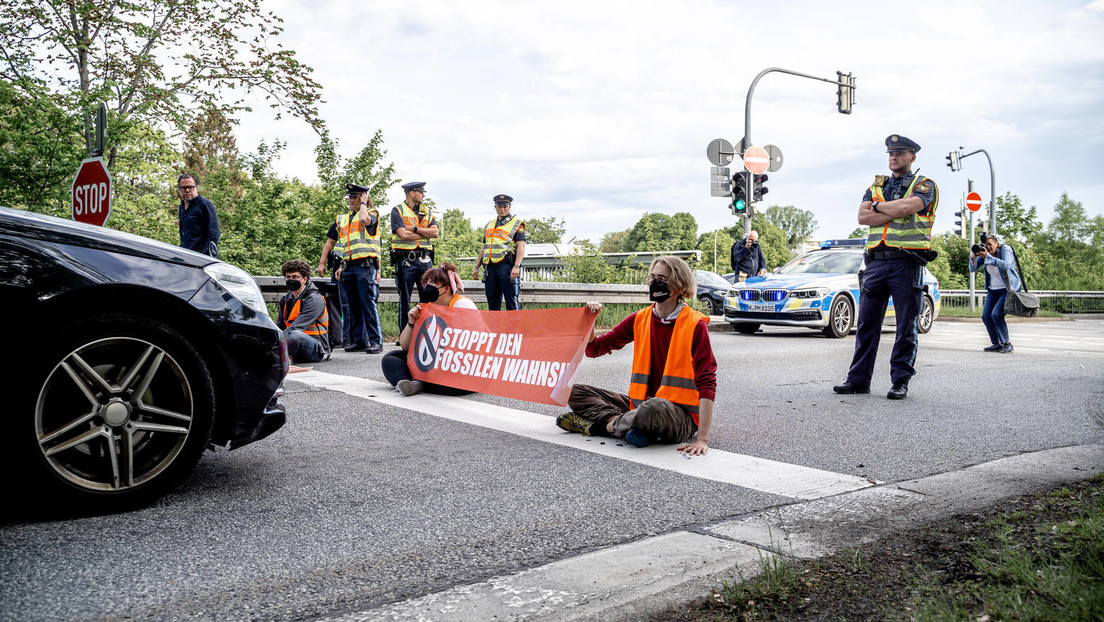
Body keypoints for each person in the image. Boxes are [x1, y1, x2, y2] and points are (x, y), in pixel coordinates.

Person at [555, 256, 716, 455]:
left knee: (654, 406)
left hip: (678, 415)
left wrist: (702, 439)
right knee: (571, 390)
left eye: (663, 279)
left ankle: (603, 428)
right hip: (639, 406)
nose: (656, 283)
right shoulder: (640, 318)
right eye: (653, 277)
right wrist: (590, 322)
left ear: (679, 285)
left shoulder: (694, 324)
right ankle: (632, 428)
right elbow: (595, 349)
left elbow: (707, 381)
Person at [834, 134, 938, 400]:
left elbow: (909, 206)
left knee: (906, 326)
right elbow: (862, 216)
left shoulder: (924, 185)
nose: (894, 157)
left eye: (900, 154)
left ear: (912, 157)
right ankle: (858, 380)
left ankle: (900, 381)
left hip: (906, 262)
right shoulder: (877, 185)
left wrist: (880, 207)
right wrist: (893, 208)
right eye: (891, 154)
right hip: (876, 264)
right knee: (866, 325)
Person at [381, 262, 477, 396]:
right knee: (390, 358)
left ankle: (419, 382)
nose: (428, 286)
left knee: (445, 376)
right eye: (426, 282)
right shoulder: (427, 309)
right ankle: (407, 383)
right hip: (434, 363)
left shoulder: (462, 304)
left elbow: (474, 341)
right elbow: (405, 346)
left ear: (447, 288)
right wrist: (411, 323)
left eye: (433, 282)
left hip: (456, 363)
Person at [333, 183, 383, 354]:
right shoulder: (345, 218)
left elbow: (364, 221)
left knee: (368, 305)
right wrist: (341, 265)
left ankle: (375, 341)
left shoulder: (371, 213)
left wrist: (364, 203)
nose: (351, 200)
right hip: (349, 266)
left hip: (365, 266)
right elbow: (344, 244)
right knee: (353, 306)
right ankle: (359, 340)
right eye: (350, 197)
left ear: (363, 198)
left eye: (355, 197)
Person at [391, 181, 439, 335]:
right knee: (405, 299)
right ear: (412, 193)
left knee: (428, 298)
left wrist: (416, 229)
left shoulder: (426, 211)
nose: (423, 195)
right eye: (421, 192)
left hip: (425, 261)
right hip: (406, 261)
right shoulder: (397, 210)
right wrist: (425, 232)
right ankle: (405, 334)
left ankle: (426, 333)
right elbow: (403, 235)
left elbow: (435, 233)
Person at [970, 232, 1021, 354]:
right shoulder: (985, 254)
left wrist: (988, 256)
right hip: (993, 289)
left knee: (997, 314)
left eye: (990, 244)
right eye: (985, 245)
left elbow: (1007, 265)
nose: (988, 247)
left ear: (997, 243)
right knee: (986, 316)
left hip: (1008, 288)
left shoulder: (1005, 249)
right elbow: (972, 269)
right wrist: (974, 257)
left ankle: (1007, 343)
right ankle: (996, 343)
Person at [473, 194, 527, 310]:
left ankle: (514, 328)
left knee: (511, 301)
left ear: (509, 207)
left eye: (505, 206)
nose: (502, 209)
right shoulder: (489, 225)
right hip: (490, 268)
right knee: (492, 302)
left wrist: (517, 266)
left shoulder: (517, 224)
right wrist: (476, 266)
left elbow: (521, 245)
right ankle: (495, 328)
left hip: (507, 267)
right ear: (495, 207)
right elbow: (484, 246)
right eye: (499, 207)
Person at [277, 259, 331, 363]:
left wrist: (275, 341)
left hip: (317, 348)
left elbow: (296, 327)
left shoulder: (314, 299)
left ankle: (281, 357)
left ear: (305, 279)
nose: (291, 280)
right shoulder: (285, 299)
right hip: (292, 343)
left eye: (295, 277)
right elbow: (279, 326)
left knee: (294, 335)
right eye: (288, 277)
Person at [176, 173, 220, 257]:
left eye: (190, 187)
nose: (187, 190)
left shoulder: (204, 205)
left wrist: (204, 256)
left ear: (196, 188)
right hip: (186, 255)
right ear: (179, 190)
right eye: (184, 188)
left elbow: (214, 233)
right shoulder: (182, 207)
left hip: (201, 258)